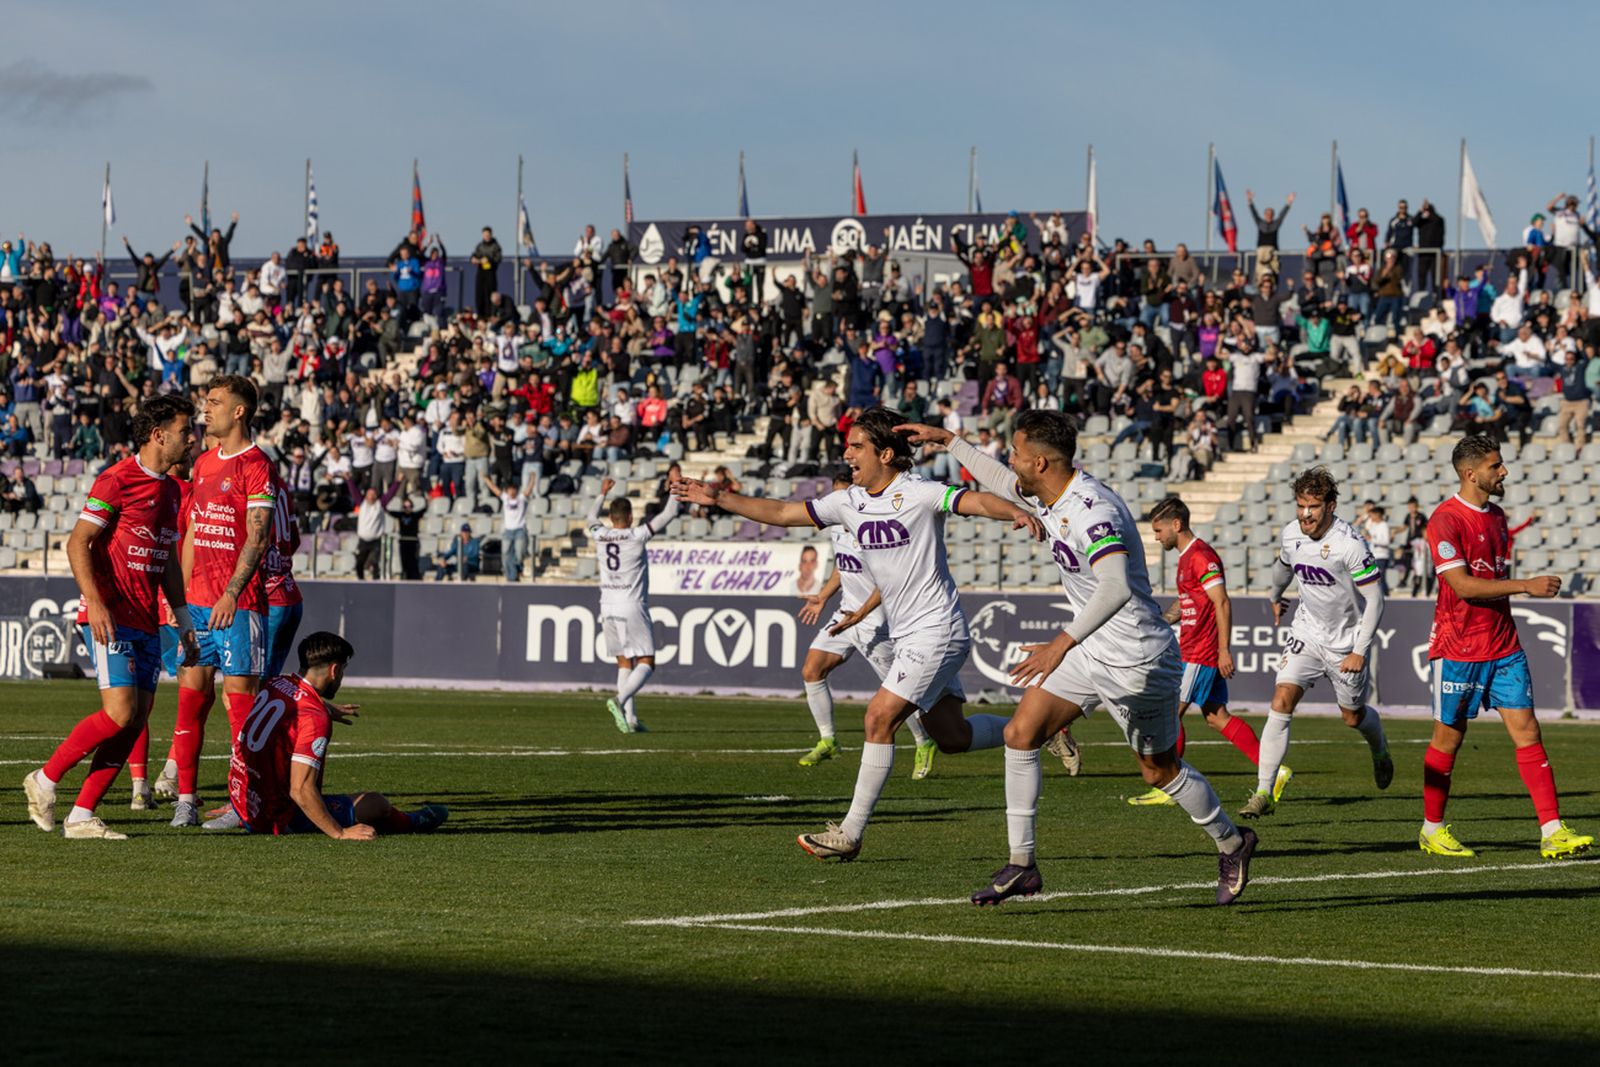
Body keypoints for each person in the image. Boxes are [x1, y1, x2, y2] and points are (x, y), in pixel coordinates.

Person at [897, 414, 1256, 906]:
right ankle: (1022, 865)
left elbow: (1115, 586)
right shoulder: (1049, 493)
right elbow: (1000, 479)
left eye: (1018, 453)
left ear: (1041, 463)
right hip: (1092, 649)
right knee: (1020, 733)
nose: (1011, 461)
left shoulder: (1092, 510)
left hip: (1137, 660)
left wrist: (1059, 644)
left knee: (1158, 771)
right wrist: (949, 441)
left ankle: (1233, 843)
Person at [673, 406, 1046, 864]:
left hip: (937, 630)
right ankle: (1040, 727)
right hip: (907, 635)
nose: (847, 454)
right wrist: (720, 499)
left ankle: (849, 833)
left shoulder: (919, 492)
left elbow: (976, 502)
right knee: (951, 737)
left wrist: (1014, 512)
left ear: (886, 454)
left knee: (878, 718)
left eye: (856, 447)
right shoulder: (848, 501)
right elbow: (784, 512)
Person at [22, 395, 199, 840]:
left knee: (135, 720)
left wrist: (182, 618)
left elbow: (167, 561)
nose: (192, 438)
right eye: (185, 431)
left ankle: (81, 814)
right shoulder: (117, 479)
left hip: (146, 618)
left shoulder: (172, 491)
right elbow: (77, 541)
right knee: (120, 712)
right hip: (111, 614)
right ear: (158, 436)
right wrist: (95, 601)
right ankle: (45, 778)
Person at [1418, 435, 1593, 860]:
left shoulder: (1497, 516)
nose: (1504, 471)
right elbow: (1462, 585)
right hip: (1459, 648)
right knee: (1449, 738)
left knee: (1528, 731)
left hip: (1503, 645)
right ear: (1470, 473)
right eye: (1495, 466)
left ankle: (1552, 830)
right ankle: (1431, 829)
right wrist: (1526, 586)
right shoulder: (1445, 520)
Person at [1240, 467, 1393, 820]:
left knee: (1352, 717)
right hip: (1306, 633)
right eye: (1301, 505)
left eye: (1313, 506)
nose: (1305, 514)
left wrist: (1359, 650)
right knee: (1281, 699)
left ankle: (1380, 748)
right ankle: (1264, 791)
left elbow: (1375, 600)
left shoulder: (1349, 544)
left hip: (1345, 644)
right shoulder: (1291, 534)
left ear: (1331, 506)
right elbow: (1283, 566)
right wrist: (1275, 594)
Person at [1125, 497, 1287, 808]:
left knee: (1169, 713)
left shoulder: (1201, 555)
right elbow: (1188, 601)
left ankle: (1169, 785)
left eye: (1158, 531)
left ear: (1176, 524)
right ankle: (1274, 771)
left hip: (1200, 651)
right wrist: (1162, 622)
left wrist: (1223, 650)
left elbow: (1221, 601)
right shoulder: (1187, 557)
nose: (1156, 537)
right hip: (1193, 648)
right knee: (1216, 717)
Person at [171, 376, 277, 830]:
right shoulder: (202, 463)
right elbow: (195, 532)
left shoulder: (257, 465)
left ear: (239, 411)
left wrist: (231, 593)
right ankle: (186, 801)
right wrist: (178, 600)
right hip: (197, 604)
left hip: (239, 605)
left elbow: (259, 536)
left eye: (215, 402)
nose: (205, 409)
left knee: (240, 708)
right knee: (190, 703)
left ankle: (243, 802)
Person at [225, 631, 448, 838]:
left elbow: (292, 705)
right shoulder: (314, 717)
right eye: (343, 669)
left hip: (242, 800)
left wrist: (327, 709)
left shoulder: (276, 683)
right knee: (375, 803)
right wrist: (340, 833)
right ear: (334, 670)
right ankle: (411, 822)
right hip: (274, 817)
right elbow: (300, 790)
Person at [794, 471, 937, 777]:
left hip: (875, 620)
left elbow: (887, 582)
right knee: (812, 670)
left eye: (844, 496)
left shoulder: (874, 531)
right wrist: (823, 597)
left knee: (898, 694)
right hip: (845, 614)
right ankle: (828, 740)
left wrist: (861, 612)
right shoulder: (837, 527)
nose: (838, 504)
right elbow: (841, 567)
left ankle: (924, 740)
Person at [586, 477, 682, 732]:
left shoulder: (600, 534)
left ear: (611, 517)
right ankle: (619, 701)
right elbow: (669, 513)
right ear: (629, 517)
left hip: (607, 604)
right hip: (631, 603)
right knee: (647, 661)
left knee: (624, 662)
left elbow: (590, 518)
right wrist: (675, 488)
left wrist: (601, 494)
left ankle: (630, 720)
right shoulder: (637, 535)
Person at [484, 470, 537, 582]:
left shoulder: (521, 498)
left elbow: (529, 490)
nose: (512, 492)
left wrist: (532, 479)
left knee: (519, 553)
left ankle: (518, 568)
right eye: (509, 490)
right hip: (508, 530)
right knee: (506, 553)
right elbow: (494, 489)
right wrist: (487, 479)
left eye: (513, 490)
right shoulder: (505, 498)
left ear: (516, 490)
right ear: (507, 491)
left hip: (519, 530)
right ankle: (511, 577)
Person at [353, 481, 402, 579]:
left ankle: (376, 581)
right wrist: (349, 480)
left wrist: (397, 482)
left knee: (375, 562)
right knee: (359, 563)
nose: (371, 496)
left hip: (376, 541)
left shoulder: (380, 504)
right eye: (369, 494)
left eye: (373, 494)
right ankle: (361, 581)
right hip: (363, 540)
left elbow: (390, 494)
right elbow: (354, 492)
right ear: (366, 495)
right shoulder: (362, 504)